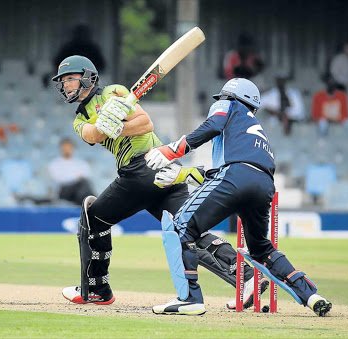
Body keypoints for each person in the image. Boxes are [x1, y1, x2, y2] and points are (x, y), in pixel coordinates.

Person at [51, 55, 267, 309]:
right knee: (186, 229)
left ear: (89, 77)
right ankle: (247, 276)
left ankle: (97, 288)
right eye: (63, 81)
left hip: (144, 167)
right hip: (164, 173)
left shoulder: (114, 92)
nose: (65, 85)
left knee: (93, 216)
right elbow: (92, 134)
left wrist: (118, 125)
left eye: (70, 78)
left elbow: (145, 123)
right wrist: (104, 122)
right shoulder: (79, 119)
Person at [145, 78, 332, 316]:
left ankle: (189, 298)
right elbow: (238, 171)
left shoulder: (230, 104)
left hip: (236, 176)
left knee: (179, 225)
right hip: (264, 185)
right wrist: (183, 175)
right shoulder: (255, 130)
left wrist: (172, 150)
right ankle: (311, 295)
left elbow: (214, 128)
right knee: (261, 249)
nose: (219, 102)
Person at [48, 138, 95, 205]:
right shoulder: (55, 164)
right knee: (83, 184)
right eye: (65, 147)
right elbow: (58, 180)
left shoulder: (80, 163)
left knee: (84, 186)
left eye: (69, 147)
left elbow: (86, 177)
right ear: (61, 148)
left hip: (77, 191)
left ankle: (86, 203)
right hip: (64, 190)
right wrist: (76, 178)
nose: (67, 149)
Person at [261, 71, 305, 135]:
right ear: (276, 81)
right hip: (274, 127)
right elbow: (260, 107)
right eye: (279, 80)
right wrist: (273, 112)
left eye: (283, 80)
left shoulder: (294, 94)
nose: (281, 83)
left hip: (293, 124)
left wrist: (285, 114)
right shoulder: (269, 95)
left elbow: (300, 111)